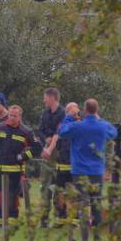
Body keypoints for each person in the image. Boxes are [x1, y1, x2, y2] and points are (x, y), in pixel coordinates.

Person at [58, 98, 117, 241]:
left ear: (84, 110)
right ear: (96, 110)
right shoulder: (102, 126)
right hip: (96, 171)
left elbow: (62, 132)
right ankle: (97, 237)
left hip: (79, 171)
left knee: (83, 204)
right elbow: (114, 132)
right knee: (96, 203)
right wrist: (99, 119)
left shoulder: (77, 126)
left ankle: (84, 237)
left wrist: (69, 116)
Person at [0, 105, 41, 227]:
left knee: (12, 197)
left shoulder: (26, 131)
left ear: (19, 117)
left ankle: (11, 222)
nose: (11, 118)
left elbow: (37, 147)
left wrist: (23, 156)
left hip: (15, 170)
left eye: (14, 116)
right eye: (10, 115)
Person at [42, 102, 78, 222]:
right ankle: (60, 218)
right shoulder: (62, 126)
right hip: (62, 167)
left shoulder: (79, 125)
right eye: (69, 111)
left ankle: (73, 219)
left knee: (73, 194)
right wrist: (48, 150)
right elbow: (56, 139)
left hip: (75, 168)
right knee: (59, 194)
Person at [38, 87, 66, 227]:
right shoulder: (45, 113)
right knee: (45, 186)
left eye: (46, 97)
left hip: (59, 154)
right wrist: (46, 139)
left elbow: (59, 133)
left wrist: (51, 144)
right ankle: (43, 219)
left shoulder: (62, 113)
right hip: (47, 153)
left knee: (58, 186)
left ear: (53, 97)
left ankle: (59, 219)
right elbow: (40, 130)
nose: (44, 100)